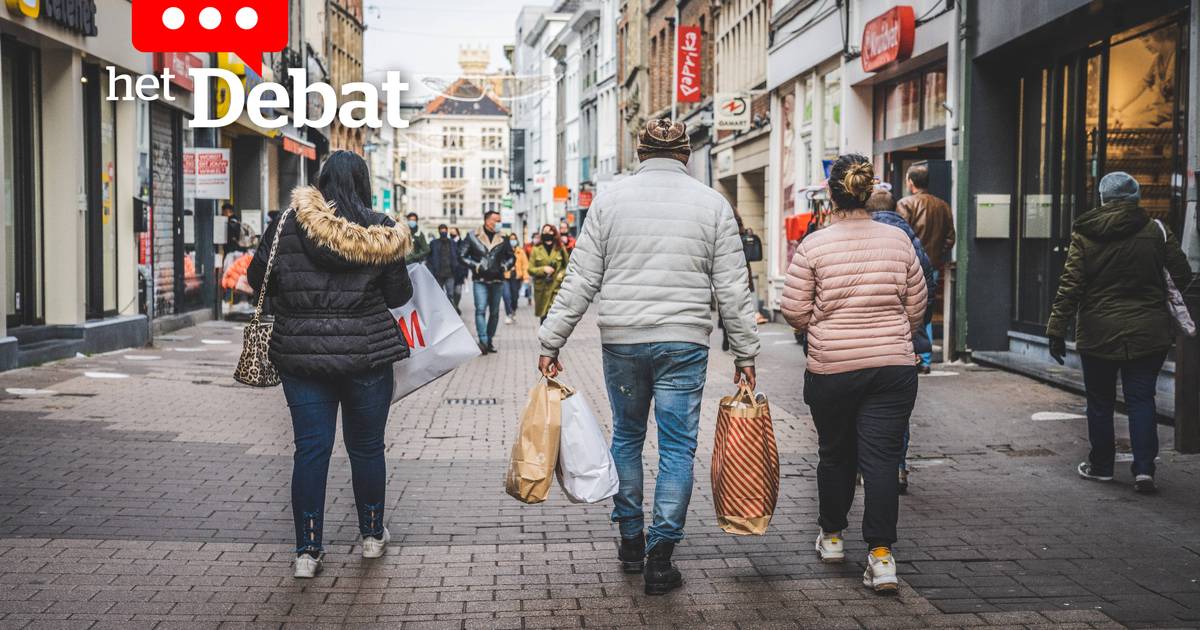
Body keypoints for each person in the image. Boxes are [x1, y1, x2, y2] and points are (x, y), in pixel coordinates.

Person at [537, 119, 759, 596]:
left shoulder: (611, 201)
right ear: (685, 154)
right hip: (684, 341)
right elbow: (733, 289)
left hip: (624, 339)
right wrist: (745, 352)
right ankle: (662, 558)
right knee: (678, 447)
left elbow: (580, 279)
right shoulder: (712, 204)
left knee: (628, 436)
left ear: (640, 152)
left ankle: (631, 540)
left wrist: (550, 340)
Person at [246, 150, 413, 579]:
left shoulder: (287, 223)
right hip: (367, 355)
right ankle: (372, 536)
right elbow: (399, 297)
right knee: (367, 447)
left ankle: (307, 551)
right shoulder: (382, 231)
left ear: (320, 183)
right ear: (363, 183)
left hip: (300, 355)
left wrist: (296, 303)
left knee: (311, 450)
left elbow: (257, 277)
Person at [782, 154, 927, 594]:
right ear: (867, 192)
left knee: (835, 453)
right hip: (892, 368)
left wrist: (818, 327)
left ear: (831, 193)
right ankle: (882, 558)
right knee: (881, 460)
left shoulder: (814, 245)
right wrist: (894, 332)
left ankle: (831, 537)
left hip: (833, 369)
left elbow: (793, 310)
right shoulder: (897, 240)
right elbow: (917, 303)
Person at [1046, 172, 1192, 494]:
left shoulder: (1085, 234)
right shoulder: (1157, 231)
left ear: (1102, 199)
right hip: (1149, 331)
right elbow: (1182, 275)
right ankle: (1143, 471)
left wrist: (1056, 329)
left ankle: (1101, 466)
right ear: (1136, 198)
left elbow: (1070, 286)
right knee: (1142, 399)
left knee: (1100, 401)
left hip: (1098, 333)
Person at [867, 189, 937, 495]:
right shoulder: (910, 241)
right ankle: (897, 467)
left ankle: (864, 467)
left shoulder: (861, 237)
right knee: (896, 412)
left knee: (862, 407)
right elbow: (927, 286)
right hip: (900, 342)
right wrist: (914, 327)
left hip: (863, 341)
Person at [896, 164, 955, 371]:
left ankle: (914, 357)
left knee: (907, 310)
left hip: (910, 266)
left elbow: (900, 235)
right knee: (926, 311)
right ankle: (926, 360)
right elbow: (950, 238)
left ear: (910, 182)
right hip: (933, 265)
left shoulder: (905, 204)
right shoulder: (943, 206)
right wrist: (937, 254)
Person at [460, 210, 515, 354]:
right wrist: (476, 265)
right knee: (480, 309)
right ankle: (483, 341)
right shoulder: (472, 236)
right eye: (496, 220)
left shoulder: (503, 237)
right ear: (487, 221)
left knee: (495, 313)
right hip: (480, 280)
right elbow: (462, 255)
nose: (499, 223)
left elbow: (511, 257)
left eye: (499, 221)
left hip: (497, 279)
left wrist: (505, 266)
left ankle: (490, 340)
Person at [529, 224, 569, 323]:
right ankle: (544, 337)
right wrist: (543, 269)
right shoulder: (536, 249)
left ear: (554, 233)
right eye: (545, 232)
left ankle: (553, 337)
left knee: (554, 314)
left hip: (556, 287)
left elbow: (568, 266)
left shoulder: (560, 248)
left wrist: (561, 274)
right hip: (541, 288)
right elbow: (530, 269)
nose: (547, 234)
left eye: (550, 231)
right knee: (544, 316)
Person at [428, 224, 460, 308]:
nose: (443, 232)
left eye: (444, 230)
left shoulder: (452, 243)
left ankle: (452, 312)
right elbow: (429, 257)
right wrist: (432, 269)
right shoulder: (434, 243)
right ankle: (441, 311)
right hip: (438, 273)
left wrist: (456, 266)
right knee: (439, 295)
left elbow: (457, 255)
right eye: (441, 230)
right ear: (439, 231)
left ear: (447, 230)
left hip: (450, 273)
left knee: (450, 294)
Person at [503, 233, 529, 323]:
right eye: (511, 239)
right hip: (505, 277)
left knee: (515, 297)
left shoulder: (520, 251)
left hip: (516, 277)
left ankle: (513, 310)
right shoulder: (503, 251)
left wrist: (526, 278)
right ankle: (508, 314)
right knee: (506, 296)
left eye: (514, 239)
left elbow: (525, 265)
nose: (512, 241)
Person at [449, 227, 469, 311]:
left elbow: (465, 258)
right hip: (450, 272)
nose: (452, 234)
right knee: (450, 292)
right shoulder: (448, 243)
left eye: (454, 232)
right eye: (451, 232)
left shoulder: (462, 243)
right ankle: (453, 309)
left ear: (458, 233)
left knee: (458, 292)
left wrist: (465, 273)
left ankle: (455, 306)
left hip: (460, 272)